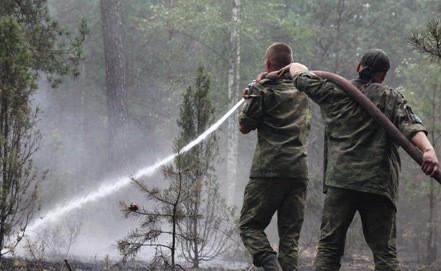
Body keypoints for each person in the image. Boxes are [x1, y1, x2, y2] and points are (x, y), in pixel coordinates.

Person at [262, 48, 439, 270]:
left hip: (341, 183)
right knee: (384, 252)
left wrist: (291, 67)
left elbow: (301, 76)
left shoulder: (333, 92)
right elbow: (411, 125)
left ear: (358, 67)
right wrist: (429, 150)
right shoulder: (390, 97)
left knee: (329, 249)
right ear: (383, 74)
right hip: (378, 184)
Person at [238, 42, 311, 271]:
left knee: (249, 226)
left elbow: (244, 126)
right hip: (298, 171)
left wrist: (252, 94)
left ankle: (271, 265)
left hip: (269, 169)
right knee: (290, 238)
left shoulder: (262, 90)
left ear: (268, 63)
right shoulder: (304, 90)